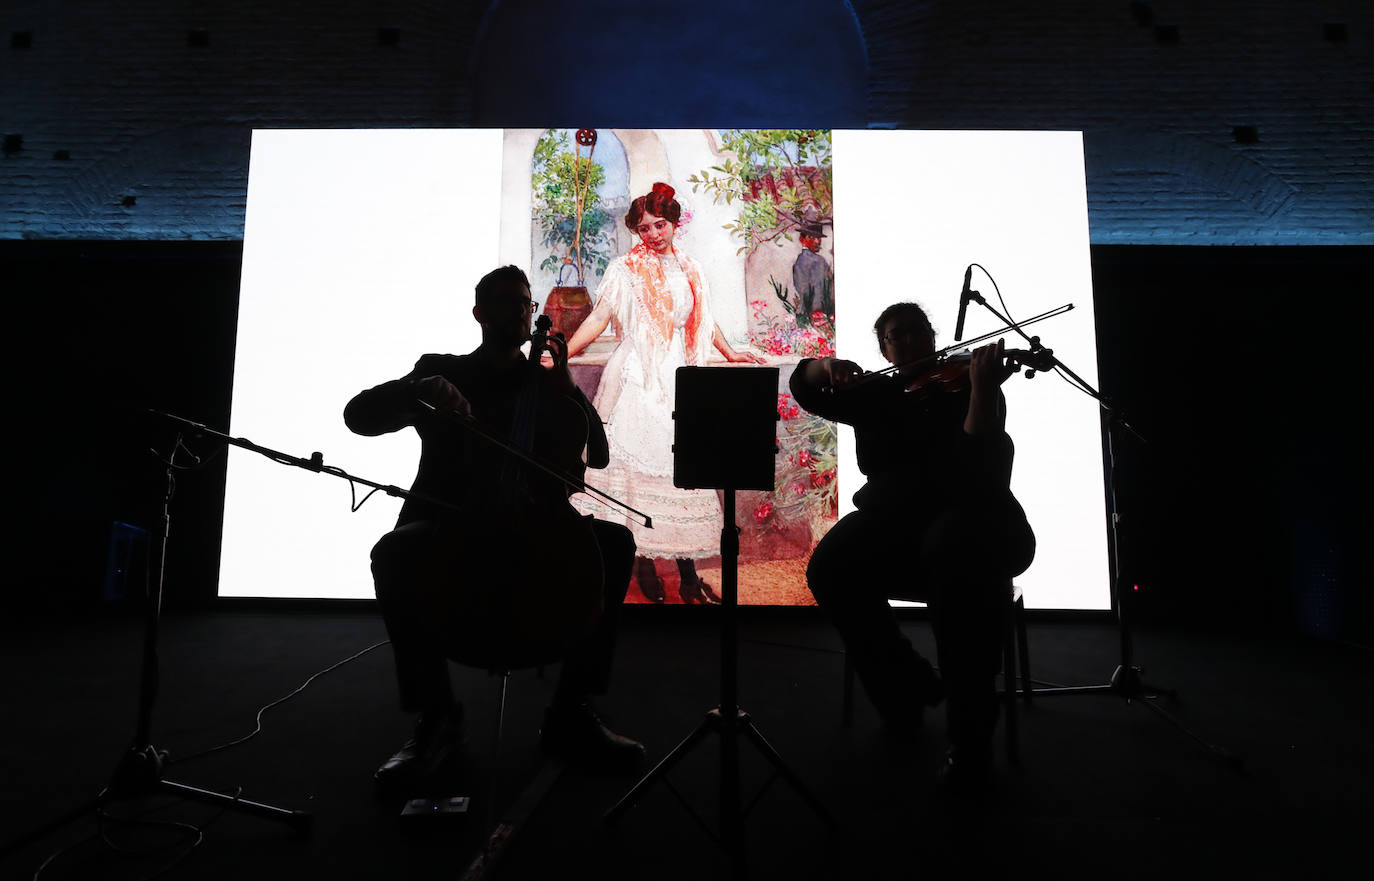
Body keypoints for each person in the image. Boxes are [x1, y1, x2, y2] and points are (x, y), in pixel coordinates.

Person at [344, 265, 645, 793]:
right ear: (480, 312)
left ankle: (570, 710)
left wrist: (566, 384)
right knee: (392, 553)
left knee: (614, 545)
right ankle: (437, 718)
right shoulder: (443, 370)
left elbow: (595, 453)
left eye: (523, 303)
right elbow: (358, 416)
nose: (516, 311)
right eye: (504, 302)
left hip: (540, 530)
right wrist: (417, 390)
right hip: (451, 524)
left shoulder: (546, 384)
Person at [789, 301, 1035, 793]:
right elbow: (804, 388)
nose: (909, 341)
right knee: (830, 566)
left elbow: (980, 466)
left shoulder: (967, 385)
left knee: (956, 561)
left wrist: (983, 388)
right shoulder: (875, 393)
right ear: (883, 348)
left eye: (918, 331)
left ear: (932, 335)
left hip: (971, 521)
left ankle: (971, 738)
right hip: (896, 522)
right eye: (895, 336)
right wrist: (823, 366)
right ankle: (907, 689)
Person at [564, 182, 765, 604]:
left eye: (659, 225)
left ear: (674, 223)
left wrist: (730, 353)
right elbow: (601, 315)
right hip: (638, 374)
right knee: (636, 468)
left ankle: (688, 576)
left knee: (682, 469)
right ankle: (639, 564)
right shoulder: (625, 268)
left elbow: (703, 322)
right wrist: (561, 350)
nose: (653, 234)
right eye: (643, 228)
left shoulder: (690, 268)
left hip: (679, 375)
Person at [791, 222, 833, 324]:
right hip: (819, 314)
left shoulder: (799, 260)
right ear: (802, 240)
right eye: (811, 237)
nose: (817, 241)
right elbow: (817, 290)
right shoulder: (817, 261)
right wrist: (818, 314)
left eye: (818, 238)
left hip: (805, 314)